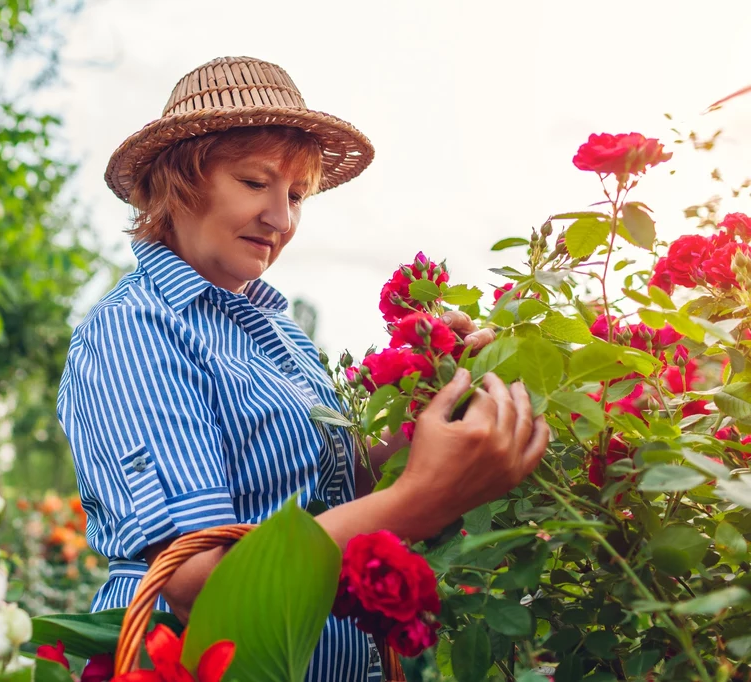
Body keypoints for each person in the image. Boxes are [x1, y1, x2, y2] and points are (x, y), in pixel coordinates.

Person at [57, 56, 550, 682]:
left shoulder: (279, 333)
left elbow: (317, 496)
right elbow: (198, 584)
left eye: (295, 195)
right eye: (254, 183)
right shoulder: (135, 331)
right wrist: (419, 499)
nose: (281, 219)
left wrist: (424, 416)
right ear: (173, 185)